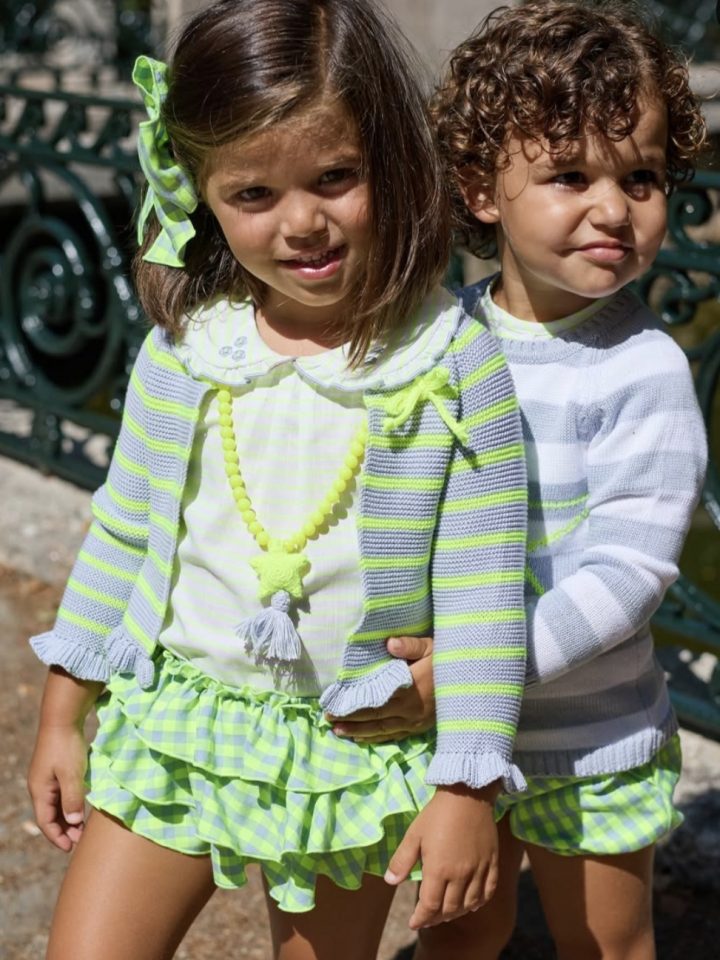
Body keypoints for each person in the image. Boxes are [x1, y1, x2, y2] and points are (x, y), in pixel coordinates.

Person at [25, 2, 529, 958]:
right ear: (197, 195)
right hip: (176, 722)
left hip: (348, 750)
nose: (302, 223)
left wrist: (466, 783)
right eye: (253, 196)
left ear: (390, 158)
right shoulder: (187, 354)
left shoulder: (456, 367)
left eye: (336, 177)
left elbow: (483, 589)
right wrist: (64, 712)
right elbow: (124, 530)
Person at [331, 2, 709, 958]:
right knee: (460, 932)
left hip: (588, 734)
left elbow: (626, 575)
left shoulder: (645, 369)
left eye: (643, 176)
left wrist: (461, 676)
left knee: (606, 941)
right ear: (482, 187)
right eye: (570, 174)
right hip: (448, 731)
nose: (615, 208)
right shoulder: (442, 341)